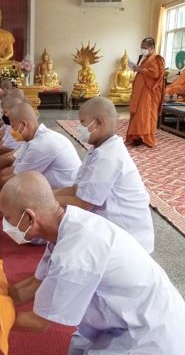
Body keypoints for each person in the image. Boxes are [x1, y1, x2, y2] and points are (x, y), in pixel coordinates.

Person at [0, 171, 185, 355]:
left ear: (29, 218)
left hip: (152, 335)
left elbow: (40, 322)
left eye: (8, 218)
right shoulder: (68, 223)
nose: (5, 225)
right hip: (143, 319)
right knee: (76, 351)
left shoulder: (75, 253)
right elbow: (33, 285)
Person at [54, 97, 154, 253]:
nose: (79, 128)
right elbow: (75, 189)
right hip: (108, 226)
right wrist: (47, 195)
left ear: (98, 122)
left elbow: (83, 203)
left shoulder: (109, 156)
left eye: (82, 122)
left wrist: (46, 202)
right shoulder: (98, 150)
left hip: (129, 239)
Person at [0, 102, 81, 190]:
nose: (12, 131)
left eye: (13, 126)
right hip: (53, 187)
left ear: (24, 124)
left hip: (63, 193)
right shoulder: (32, 139)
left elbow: (14, 178)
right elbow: (12, 168)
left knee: (14, 190)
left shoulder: (41, 144)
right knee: (6, 175)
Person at [125, 37, 165, 147]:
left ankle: (145, 137)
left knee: (144, 114)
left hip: (148, 92)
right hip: (140, 91)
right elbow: (143, 71)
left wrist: (140, 70)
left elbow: (155, 74)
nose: (142, 49)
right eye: (141, 47)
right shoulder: (146, 58)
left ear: (152, 48)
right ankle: (137, 136)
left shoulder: (156, 59)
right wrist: (137, 68)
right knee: (138, 113)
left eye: (144, 48)